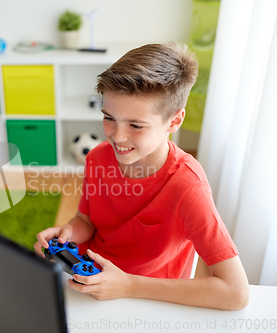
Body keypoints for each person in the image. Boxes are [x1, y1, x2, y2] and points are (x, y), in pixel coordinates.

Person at [34, 42, 249, 310]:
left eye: (136, 125)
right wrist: (69, 232)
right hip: (89, 284)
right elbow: (86, 221)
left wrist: (128, 285)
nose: (116, 136)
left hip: (146, 301)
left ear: (174, 121)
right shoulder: (97, 158)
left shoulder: (187, 186)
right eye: (109, 118)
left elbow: (236, 293)